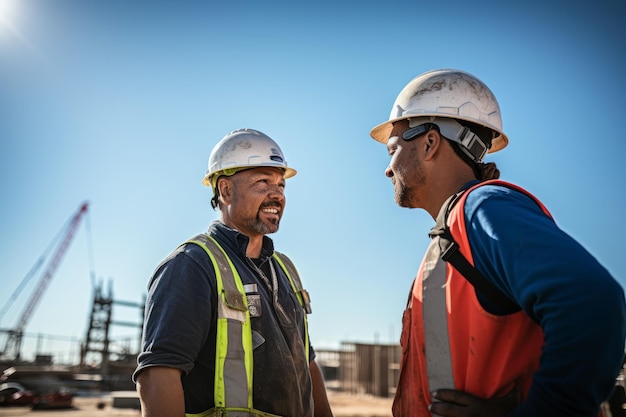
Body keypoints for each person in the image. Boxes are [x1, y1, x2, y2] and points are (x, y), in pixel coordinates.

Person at [368, 68, 626, 417]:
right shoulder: (454, 233)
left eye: (392, 150)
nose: (388, 169)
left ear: (429, 143)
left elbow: (592, 301)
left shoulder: (483, 207)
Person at [133, 128, 333, 417]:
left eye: (281, 185)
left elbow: (306, 362)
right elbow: (158, 375)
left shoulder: (285, 271)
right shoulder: (192, 265)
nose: (276, 194)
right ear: (226, 190)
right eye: (262, 182)